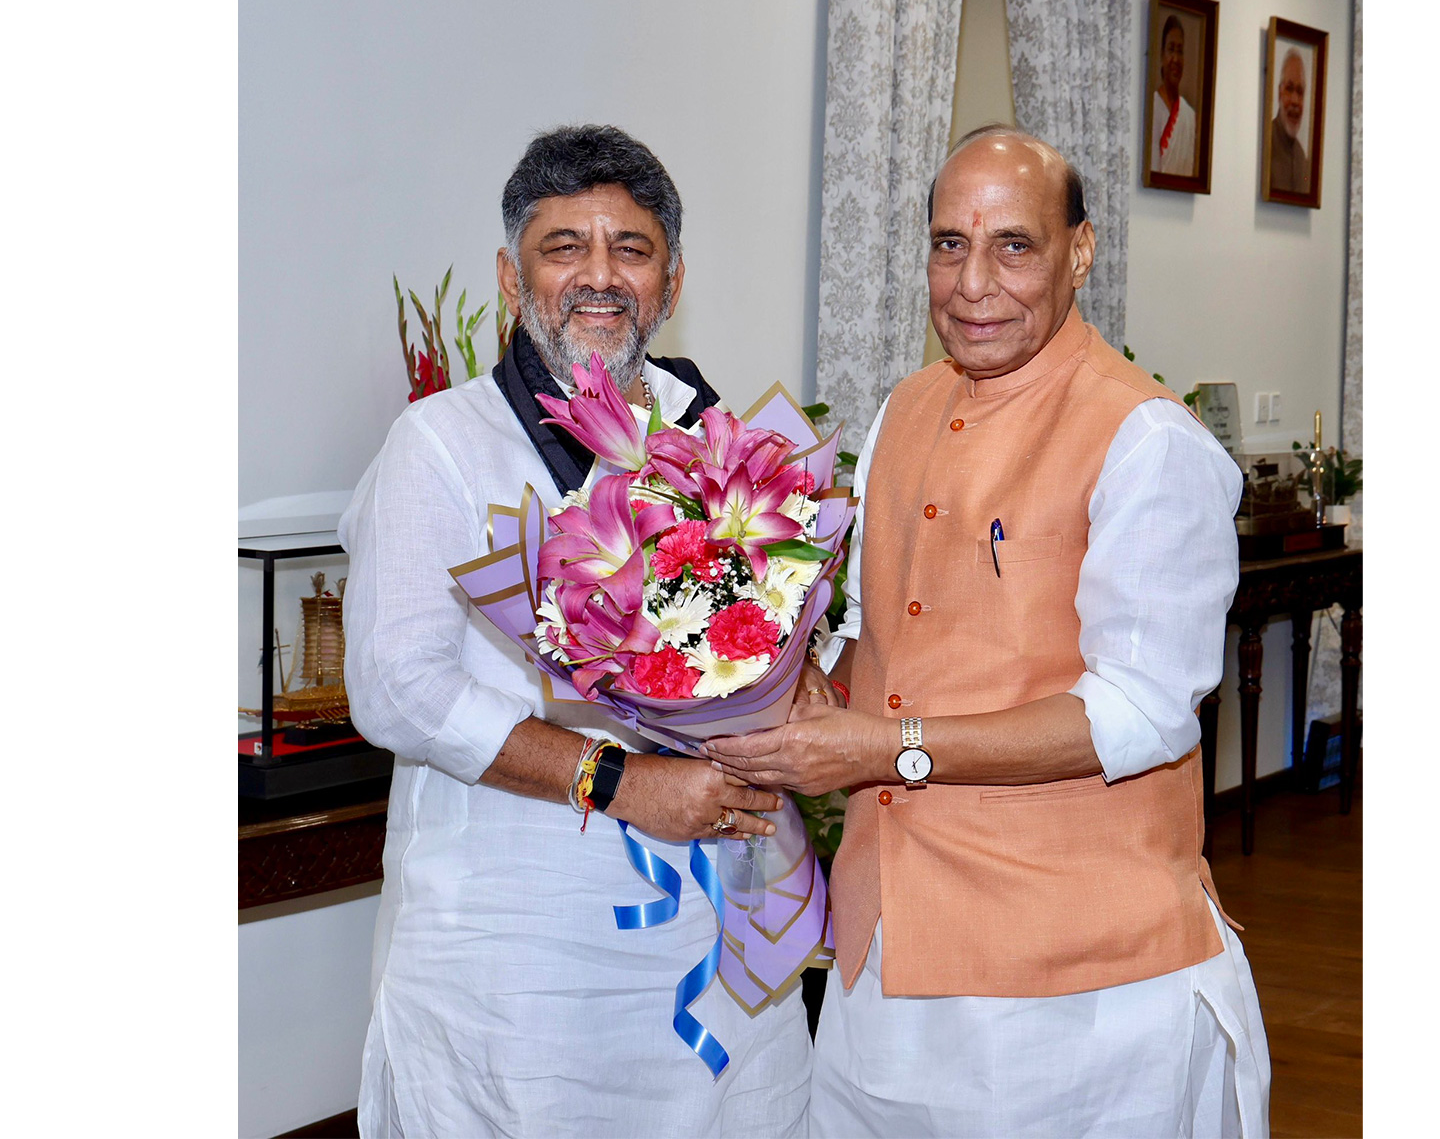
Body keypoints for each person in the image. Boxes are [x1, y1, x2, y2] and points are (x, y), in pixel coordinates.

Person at [707, 127, 1271, 1137]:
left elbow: (1141, 714)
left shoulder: (1147, 441)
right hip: (883, 950)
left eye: (1013, 245)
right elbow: (861, 640)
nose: (972, 283)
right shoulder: (902, 412)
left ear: (1079, 252)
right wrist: (763, 698)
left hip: (1076, 986)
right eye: (946, 244)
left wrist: (881, 748)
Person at [339, 124, 817, 1137]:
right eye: (564, 248)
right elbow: (398, 688)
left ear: (672, 281)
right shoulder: (441, 446)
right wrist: (623, 782)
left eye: (630, 250)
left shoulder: (723, 438)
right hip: (516, 947)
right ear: (514, 281)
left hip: (713, 923)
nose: (599, 277)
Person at [1150, 13, 1197, 176]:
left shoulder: (1190, 116)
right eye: (1171, 49)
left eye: (1180, 51)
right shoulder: (1152, 107)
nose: (1175, 59)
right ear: (1162, 55)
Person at [1270, 48, 1312, 195]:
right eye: (1289, 89)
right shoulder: (1265, 144)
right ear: (1279, 94)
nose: (1295, 101)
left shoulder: (1302, 159)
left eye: (1300, 92)